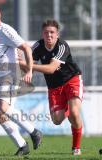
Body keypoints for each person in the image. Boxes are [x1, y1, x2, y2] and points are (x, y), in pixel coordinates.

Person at [0, 2, 42, 156]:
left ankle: (34, 131)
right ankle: (22, 145)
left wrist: (29, 70)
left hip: (9, 73)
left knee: (2, 106)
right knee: (0, 115)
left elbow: (26, 47)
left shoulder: (6, 31)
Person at [20, 20, 83, 155]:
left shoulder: (62, 46)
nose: (49, 35)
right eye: (46, 32)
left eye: (52, 32)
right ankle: (68, 108)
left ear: (57, 34)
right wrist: (21, 63)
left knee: (75, 113)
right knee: (57, 120)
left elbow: (50, 69)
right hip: (54, 87)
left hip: (72, 80)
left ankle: (76, 148)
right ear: (42, 34)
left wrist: (29, 66)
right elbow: (25, 63)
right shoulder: (38, 46)